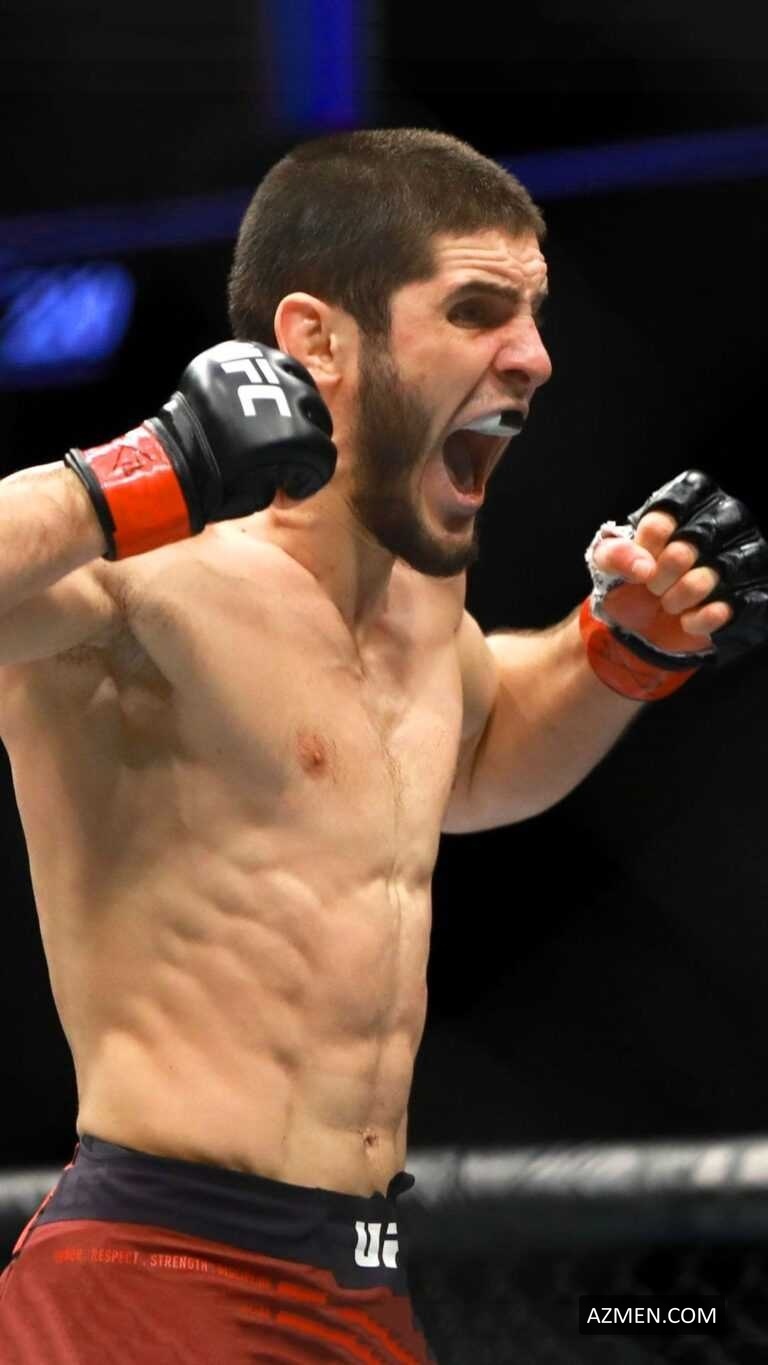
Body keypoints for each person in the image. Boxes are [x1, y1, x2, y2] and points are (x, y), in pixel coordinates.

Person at [0, 127, 765, 1364]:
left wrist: (617, 649)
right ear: (319, 341)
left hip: (360, 1284)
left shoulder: (425, 626)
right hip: (154, 1271)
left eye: (534, 314)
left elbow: (479, 754)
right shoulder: (138, 593)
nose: (533, 355)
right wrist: (136, 476)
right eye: (476, 309)